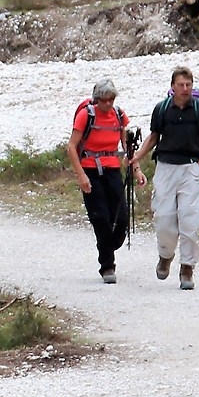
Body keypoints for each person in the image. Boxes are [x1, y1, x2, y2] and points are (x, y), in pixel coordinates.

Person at [136, 66, 199, 290]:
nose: (185, 89)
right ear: (172, 86)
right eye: (181, 85)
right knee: (163, 216)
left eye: (189, 85)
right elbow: (154, 136)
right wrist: (137, 156)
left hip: (191, 168)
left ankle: (187, 267)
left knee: (190, 218)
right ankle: (166, 255)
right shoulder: (162, 109)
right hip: (165, 167)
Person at [65, 79, 143, 283]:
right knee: (100, 218)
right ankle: (107, 265)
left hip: (112, 168)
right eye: (104, 100)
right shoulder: (86, 115)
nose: (108, 103)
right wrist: (81, 175)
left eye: (111, 99)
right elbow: (72, 146)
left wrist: (136, 170)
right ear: (96, 99)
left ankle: (110, 244)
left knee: (121, 217)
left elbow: (127, 148)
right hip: (90, 169)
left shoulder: (118, 115)